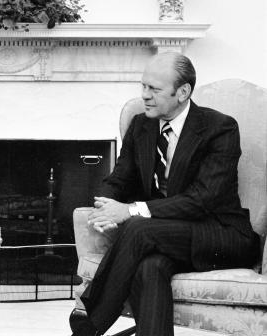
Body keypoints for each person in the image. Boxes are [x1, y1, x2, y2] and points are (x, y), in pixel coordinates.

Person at [77, 52, 259, 336]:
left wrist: (130, 211)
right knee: (149, 267)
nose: (145, 96)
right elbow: (118, 179)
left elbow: (203, 199)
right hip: (163, 238)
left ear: (183, 92)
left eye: (155, 89)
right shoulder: (141, 126)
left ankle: (90, 323)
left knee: (138, 229)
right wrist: (105, 206)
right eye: (143, 87)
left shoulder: (220, 128)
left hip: (220, 235)